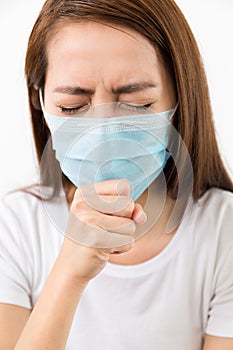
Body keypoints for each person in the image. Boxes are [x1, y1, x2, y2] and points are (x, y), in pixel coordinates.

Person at [0, 0, 233, 349]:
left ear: (179, 94)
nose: (104, 130)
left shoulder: (223, 231)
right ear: (41, 100)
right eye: (72, 107)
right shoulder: (14, 228)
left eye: (136, 103)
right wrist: (69, 273)